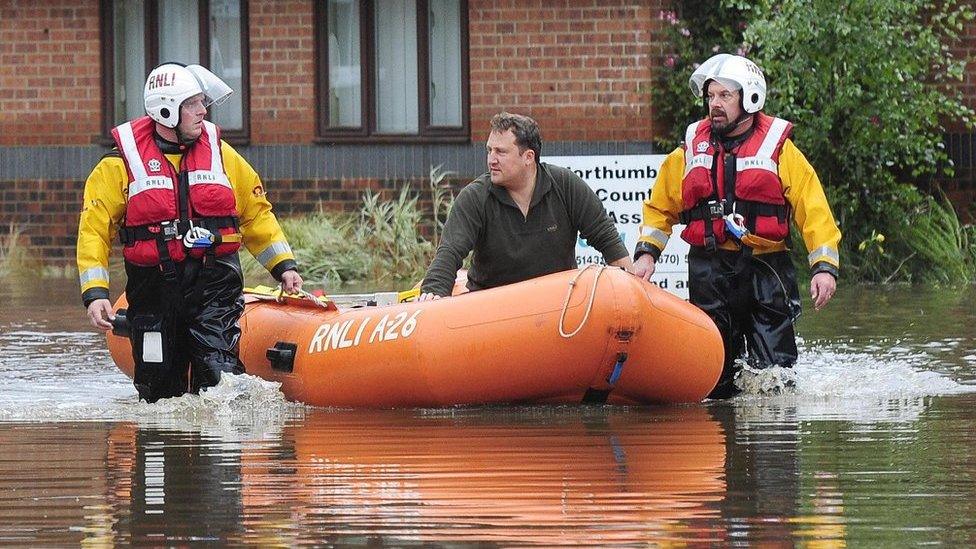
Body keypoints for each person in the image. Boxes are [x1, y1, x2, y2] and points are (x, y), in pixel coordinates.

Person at [77, 62, 303, 402]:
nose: (203, 111)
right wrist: (95, 293)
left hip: (214, 287)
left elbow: (256, 214)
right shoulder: (118, 165)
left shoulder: (222, 155)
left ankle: (222, 449)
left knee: (221, 381)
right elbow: (94, 230)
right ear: (166, 110)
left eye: (202, 102)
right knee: (158, 391)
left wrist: (285, 267)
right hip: (154, 291)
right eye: (193, 104)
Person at [633, 54, 841, 399]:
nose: (715, 104)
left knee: (774, 380)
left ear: (750, 98)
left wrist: (824, 268)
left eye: (725, 96)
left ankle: (773, 445)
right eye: (711, 96)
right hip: (710, 272)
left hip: (765, 271)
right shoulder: (689, 150)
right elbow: (660, 208)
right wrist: (647, 253)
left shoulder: (781, 152)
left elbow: (814, 211)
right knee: (714, 376)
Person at [419, 112, 632, 299]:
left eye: (501, 152)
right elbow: (450, 251)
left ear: (528, 157)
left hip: (558, 306)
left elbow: (608, 240)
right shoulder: (475, 197)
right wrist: (433, 294)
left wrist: (631, 290)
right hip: (490, 309)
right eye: (489, 150)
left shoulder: (565, 185)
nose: (491, 159)